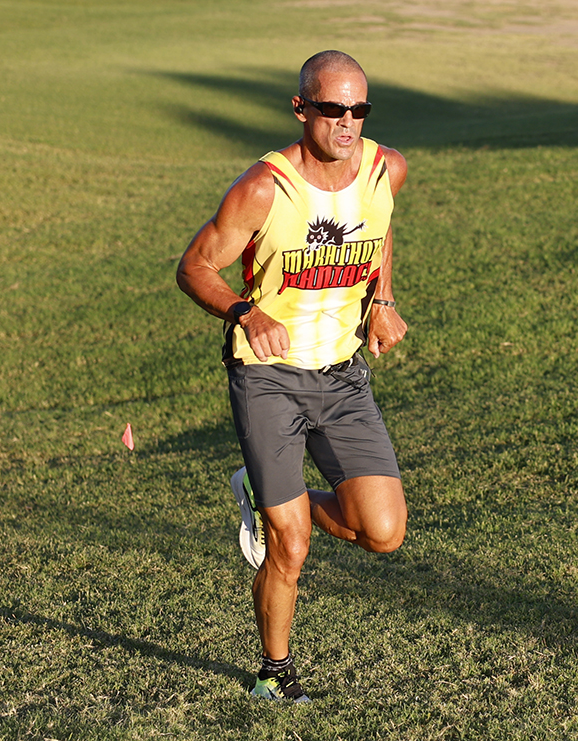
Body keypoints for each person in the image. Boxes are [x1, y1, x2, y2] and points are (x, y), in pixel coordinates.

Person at [176, 50, 409, 703]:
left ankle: (263, 490)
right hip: (269, 378)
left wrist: (382, 299)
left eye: (359, 109)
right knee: (291, 544)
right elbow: (194, 268)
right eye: (332, 108)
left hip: (341, 376)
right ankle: (274, 673)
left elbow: (380, 227)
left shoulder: (385, 169)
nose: (347, 123)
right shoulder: (262, 189)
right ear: (300, 107)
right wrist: (245, 312)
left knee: (383, 533)